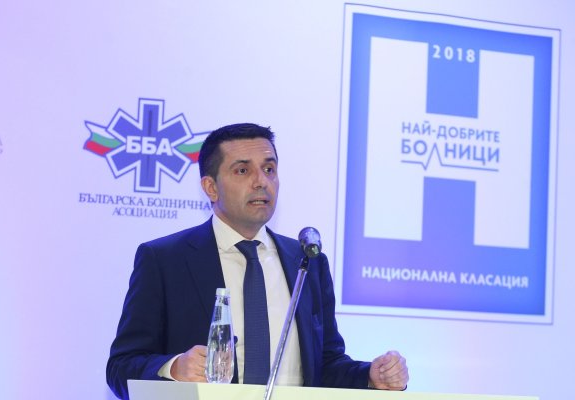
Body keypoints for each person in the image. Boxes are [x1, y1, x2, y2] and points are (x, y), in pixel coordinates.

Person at [106, 123, 409, 400]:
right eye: (242, 170)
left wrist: (370, 377)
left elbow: (325, 365)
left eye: (269, 169)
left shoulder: (307, 262)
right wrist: (174, 368)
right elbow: (121, 367)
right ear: (211, 187)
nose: (261, 182)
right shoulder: (165, 260)